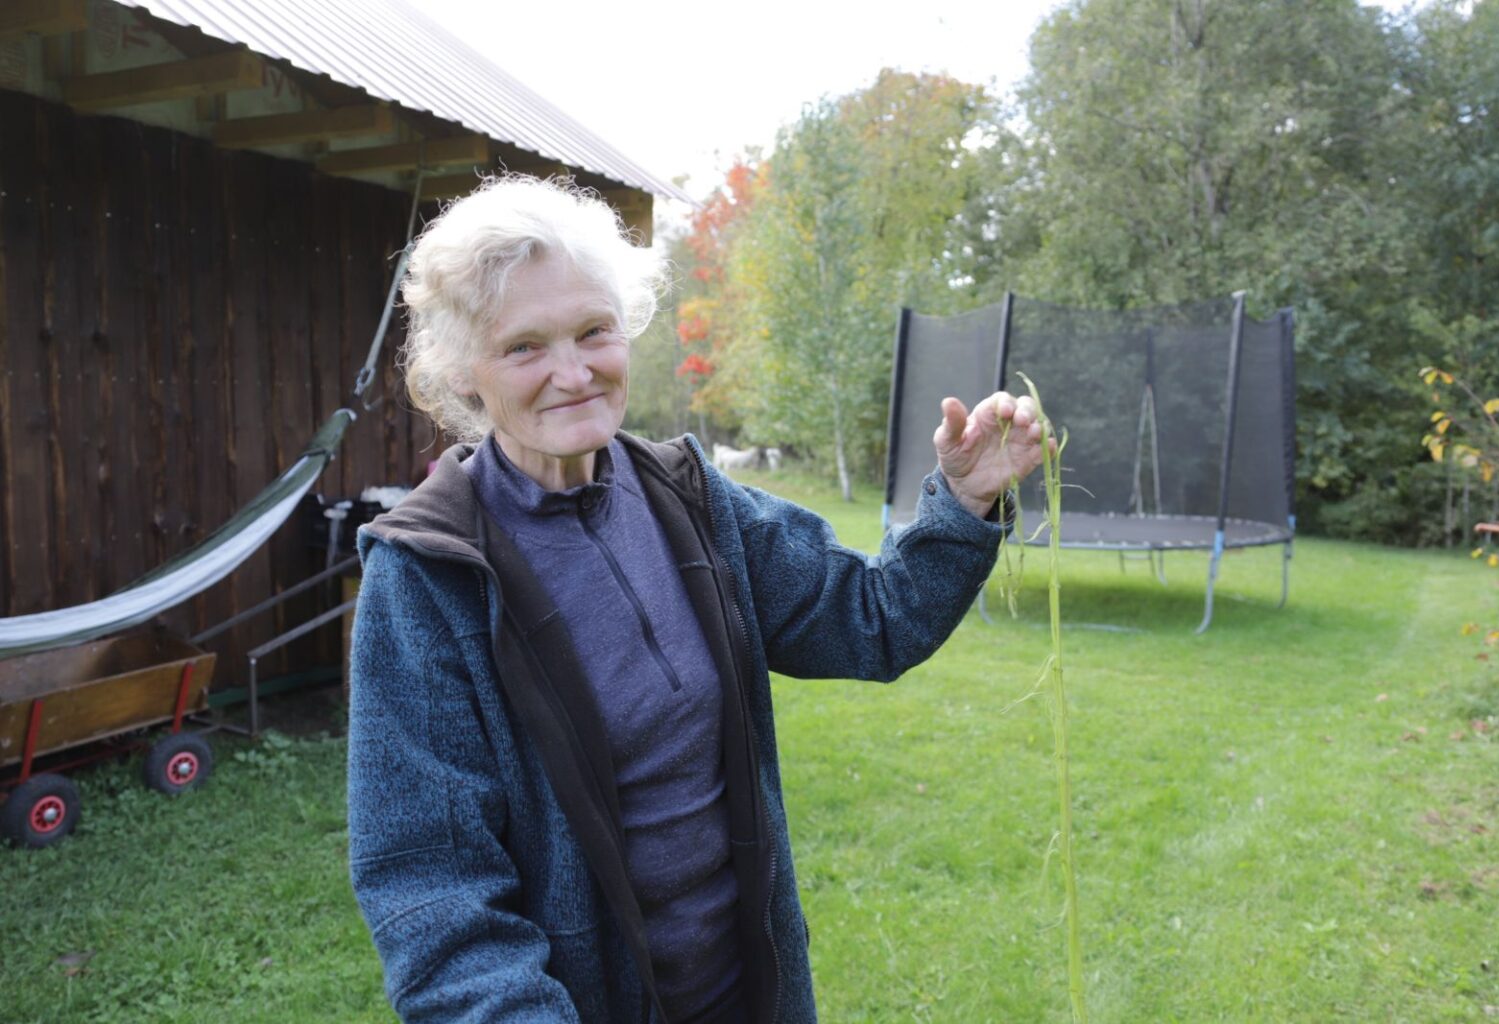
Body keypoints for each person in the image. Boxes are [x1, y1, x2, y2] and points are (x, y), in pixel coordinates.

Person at [347, 175, 1048, 1024]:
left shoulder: (688, 496)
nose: (573, 372)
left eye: (593, 331)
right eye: (524, 347)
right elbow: (433, 888)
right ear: (466, 373)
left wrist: (965, 502)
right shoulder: (428, 573)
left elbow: (873, 620)